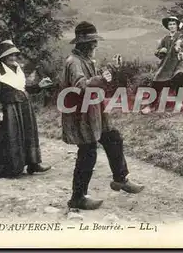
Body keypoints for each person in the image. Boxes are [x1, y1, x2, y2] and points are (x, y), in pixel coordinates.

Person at [61, 21, 144, 210]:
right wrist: (100, 79)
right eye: (92, 42)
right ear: (83, 44)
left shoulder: (85, 60)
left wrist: (109, 72)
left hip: (95, 111)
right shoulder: (73, 63)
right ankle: (77, 197)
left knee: (113, 138)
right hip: (81, 116)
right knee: (88, 153)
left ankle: (120, 179)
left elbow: (94, 82)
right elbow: (81, 86)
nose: (95, 45)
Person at [0, 40, 53, 178]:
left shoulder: (17, 68)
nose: (13, 58)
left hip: (24, 106)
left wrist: (39, 86)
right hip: (9, 109)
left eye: (14, 55)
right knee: (12, 137)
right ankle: (12, 168)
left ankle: (33, 164)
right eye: (9, 56)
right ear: (3, 57)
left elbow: (22, 89)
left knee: (29, 135)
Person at [141, 16, 183, 114]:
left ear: (177, 26)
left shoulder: (180, 36)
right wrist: (161, 51)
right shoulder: (165, 39)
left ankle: (179, 104)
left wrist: (178, 48)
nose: (171, 26)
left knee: (179, 78)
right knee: (157, 81)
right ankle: (151, 106)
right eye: (170, 24)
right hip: (166, 64)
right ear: (168, 27)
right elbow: (157, 52)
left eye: (173, 24)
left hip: (177, 63)